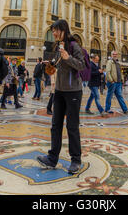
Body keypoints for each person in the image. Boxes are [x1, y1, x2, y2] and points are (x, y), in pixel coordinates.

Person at [37, 19, 85, 174]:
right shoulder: (58, 46)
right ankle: (52, 158)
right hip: (59, 90)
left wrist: (68, 58)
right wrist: (50, 65)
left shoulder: (74, 45)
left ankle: (76, 160)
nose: (54, 33)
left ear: (63, 29)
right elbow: (59, 65)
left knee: (72, 126)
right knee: (55, 125)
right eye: (53, 31)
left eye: (56, 30)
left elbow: (81, 65)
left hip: (73, 91)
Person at [104, 51, 128, 115]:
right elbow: (108, 72)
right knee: (110, 96)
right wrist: (111, 80)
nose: (115, 55)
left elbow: (120, 72)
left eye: (116, 54)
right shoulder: (109, 62)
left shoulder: (118, 62)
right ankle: (107, 109)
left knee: (119, 96)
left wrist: (122, 79)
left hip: (118, 82)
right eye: (113, 54)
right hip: (113, 82)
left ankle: (125, 109)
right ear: (111, 55)